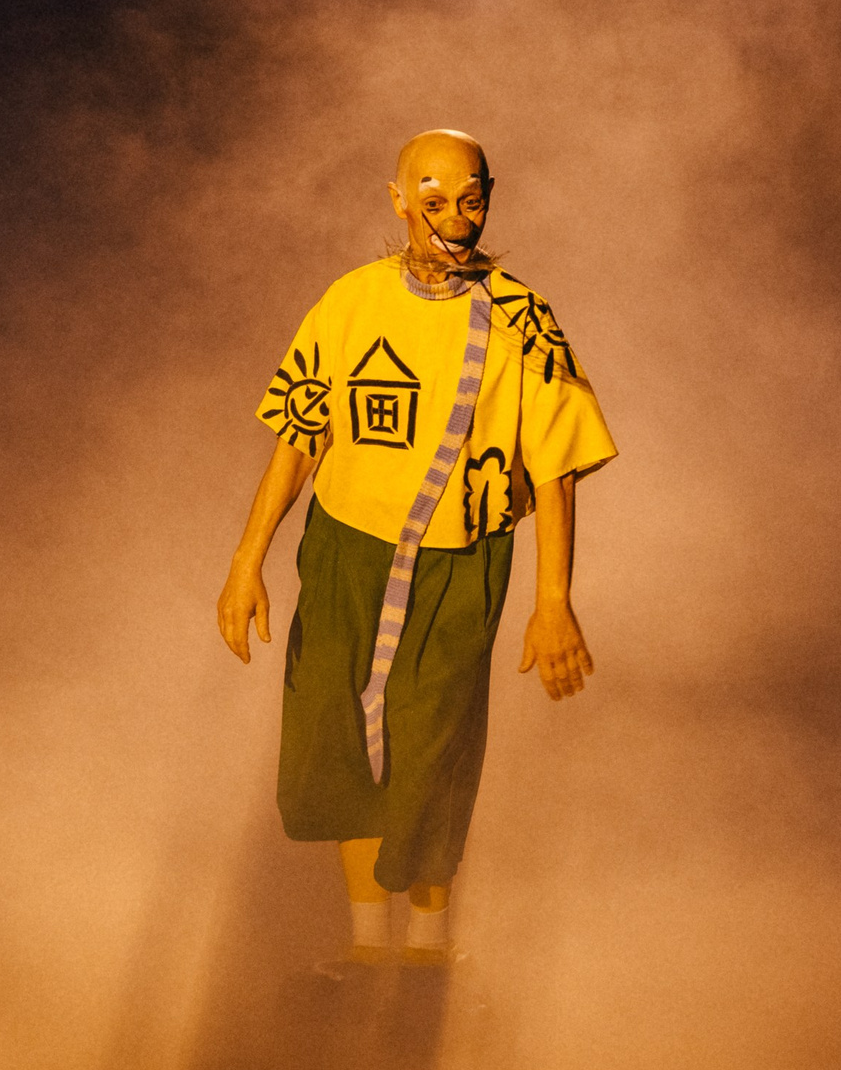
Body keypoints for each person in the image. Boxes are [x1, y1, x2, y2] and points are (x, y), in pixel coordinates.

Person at [217, 130, 617, 963]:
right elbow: (299, 435)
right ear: (399, 200)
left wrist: (552, 602)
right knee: (334, 733)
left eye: (470, 200)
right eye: (432, 201)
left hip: (457, 561)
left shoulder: (519, 318)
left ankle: (430, 950)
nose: (454, 220)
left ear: (490, 196)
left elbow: (557, 465)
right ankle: (367, 950)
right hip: (345, 552)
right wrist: (246, 560)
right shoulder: (350, 302)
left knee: (433, 745)